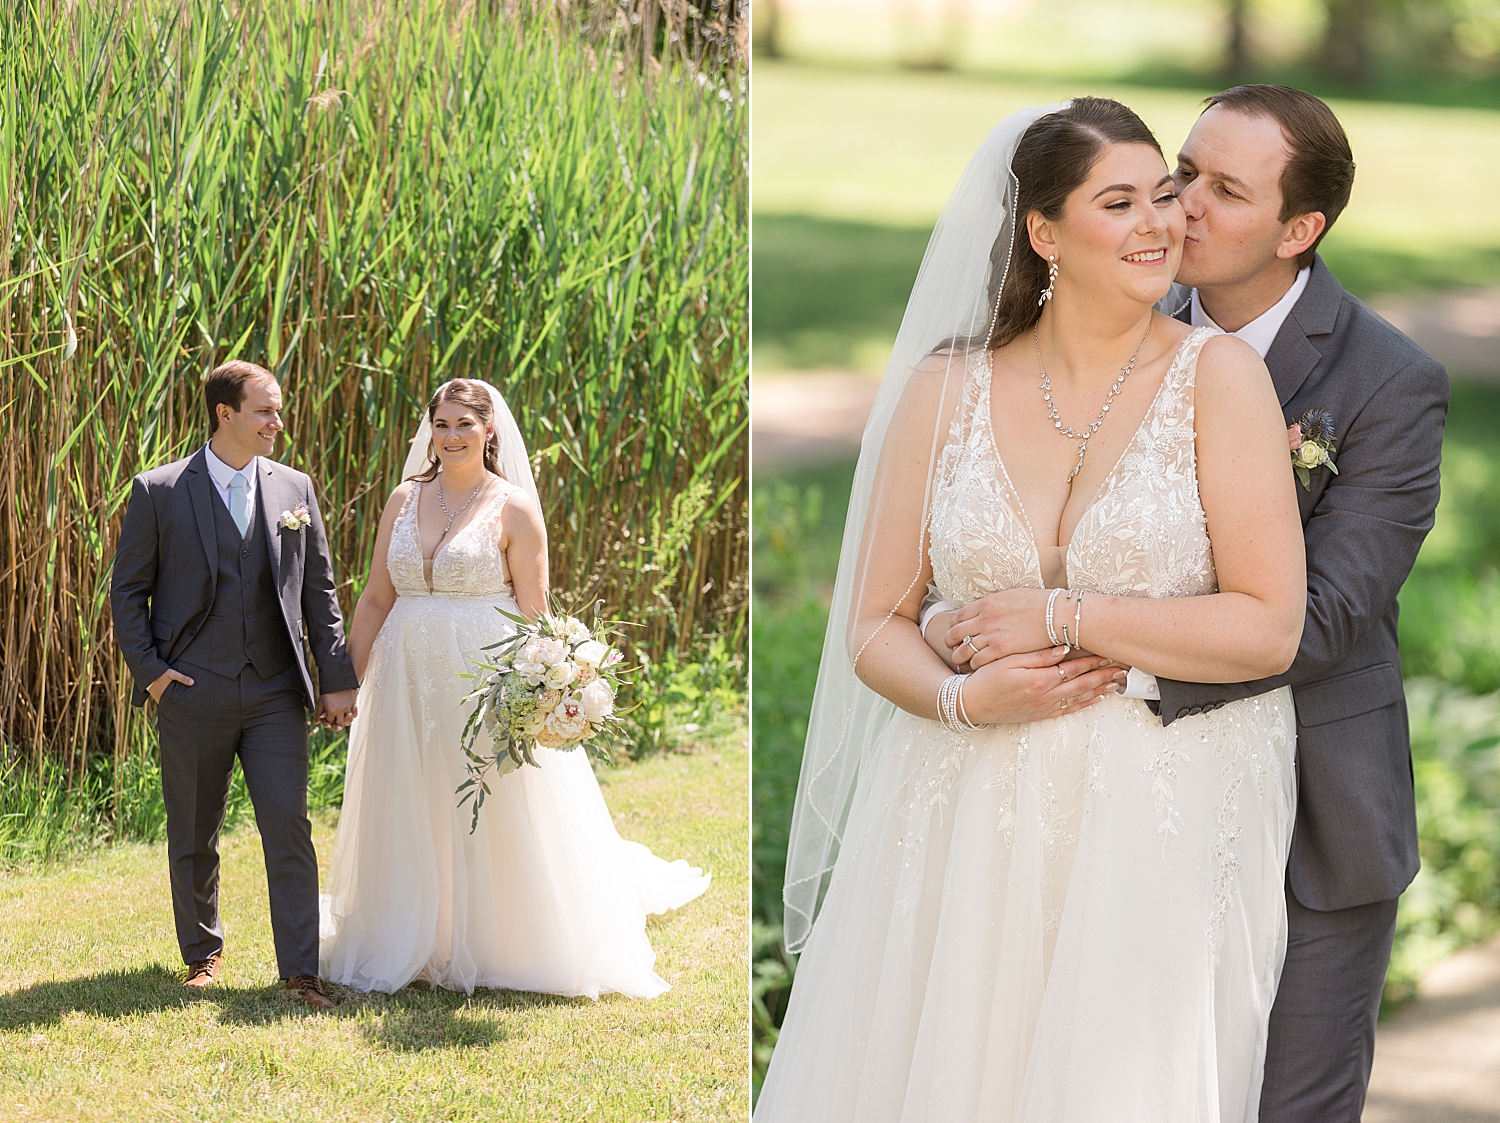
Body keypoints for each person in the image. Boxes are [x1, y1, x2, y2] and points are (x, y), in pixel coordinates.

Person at [758, 98, 1308, 1120]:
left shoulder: (1219, 379)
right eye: (1120, 202)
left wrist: (1062, 617)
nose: (1162, 222)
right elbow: (876, 624)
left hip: (1158, 808)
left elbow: (1269, 623)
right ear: (1044, 233)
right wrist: (967, 702)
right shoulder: (946, 386)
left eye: (1165, 194)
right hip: (961, 797)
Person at [318, 378, 710, 997]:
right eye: (440, 425)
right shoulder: (402, 499)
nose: (450, 438)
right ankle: (410, 927)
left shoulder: (514, 508)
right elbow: (373, 598)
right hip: (404, 676)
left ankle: (503, 933)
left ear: (489, 429)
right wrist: (346, 683)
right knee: (410, 791)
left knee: (486, 799)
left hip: (481, 676)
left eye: (463, 426)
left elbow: (534, 614)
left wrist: (545, 689)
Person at [111, 360, 359, 1011]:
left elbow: (319, 591)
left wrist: (335, 679)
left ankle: (301, 970)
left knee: (288, 825)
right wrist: (156, 677)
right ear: (226, 413)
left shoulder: (295, 487)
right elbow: (127, 593)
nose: (278, 422)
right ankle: (202, 954)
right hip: (192, 692)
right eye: (265, 411)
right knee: (193, 829)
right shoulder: (159, 490)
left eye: (277, 410)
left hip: (276, 693)